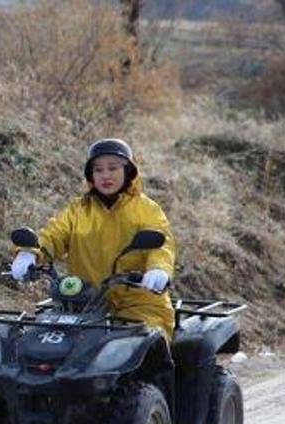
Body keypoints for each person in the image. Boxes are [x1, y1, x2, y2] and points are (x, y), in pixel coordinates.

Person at [11, 138, 177, 340]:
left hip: (140, 302)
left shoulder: (147, 209)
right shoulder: (78, 209)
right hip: (83, 302)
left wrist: (158, 269)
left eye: (113, 168)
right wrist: (29, 254)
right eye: (98, 170)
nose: (105, 175)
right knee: (38, 345)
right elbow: (54, 234)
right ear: (91, 176)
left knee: (144, 345)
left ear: (128, 171)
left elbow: (162, 244)